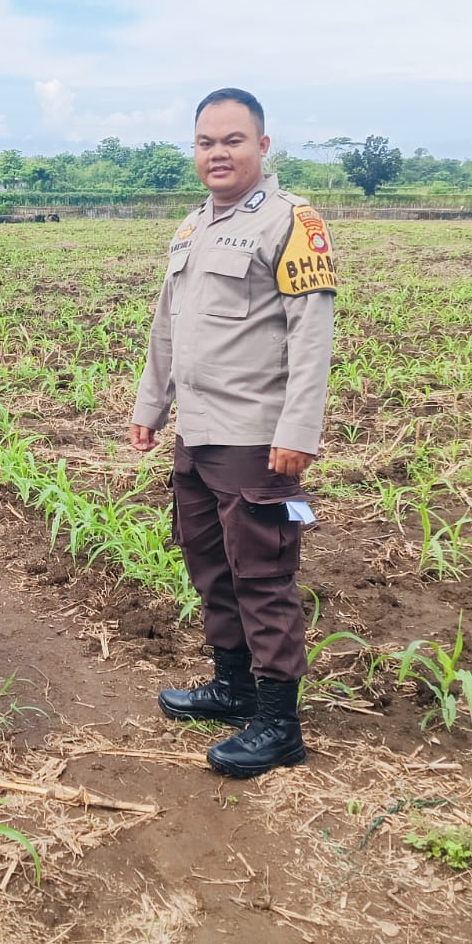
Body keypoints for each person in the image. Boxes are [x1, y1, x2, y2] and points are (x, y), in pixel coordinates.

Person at [129, 88, 337, 778]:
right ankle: (233, 687)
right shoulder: (193, 227)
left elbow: (311, 336)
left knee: (262, 577)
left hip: (257, 438)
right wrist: (151, 406)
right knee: (211, 567)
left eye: (233, 140)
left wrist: (298, 429)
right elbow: (167, 327)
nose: (217, 153)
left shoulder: (293, 223)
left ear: (263, 146)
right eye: (206, 142)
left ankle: (278, 724)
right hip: (198, 433)